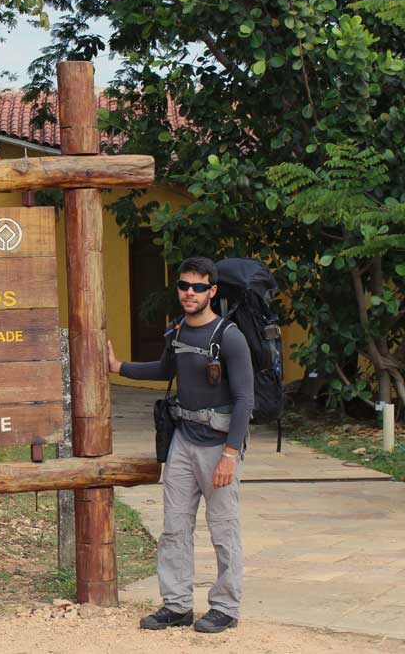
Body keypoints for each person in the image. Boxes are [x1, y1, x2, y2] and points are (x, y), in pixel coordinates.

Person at [107, 256, 254, 634]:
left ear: (212, 291)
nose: (190, 293)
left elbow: (244, 400)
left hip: (218, 446)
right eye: (185, 286)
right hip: (183, 443)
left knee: (223, 530)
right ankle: (176, 605)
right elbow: (162, 370)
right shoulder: (177, 332)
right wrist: (118, 366)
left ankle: (225, 606)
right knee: (174, 528)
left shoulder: (229, 336)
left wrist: (230, 455)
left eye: (199, 287)